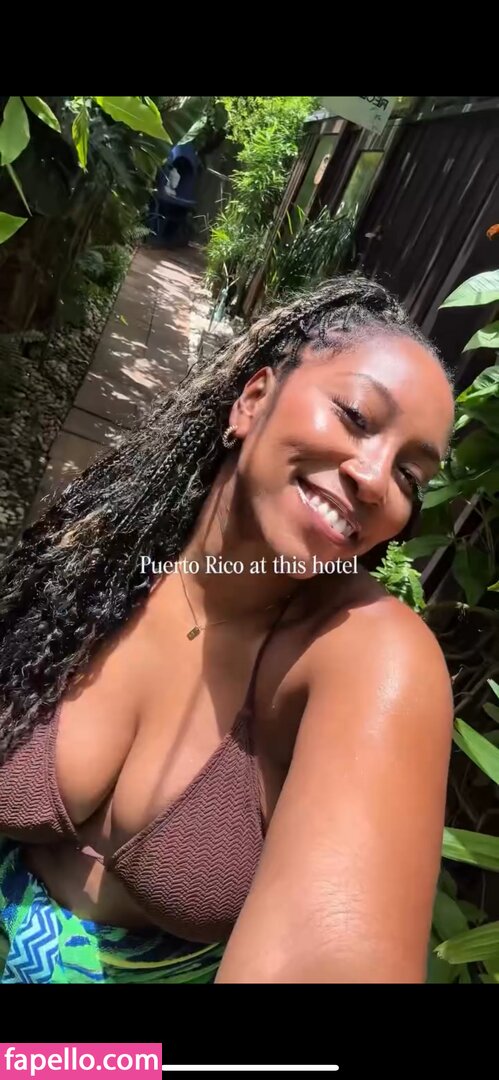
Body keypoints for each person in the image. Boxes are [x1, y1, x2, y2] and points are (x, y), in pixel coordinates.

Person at [0, 276, 455, 984]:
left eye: (409, 476)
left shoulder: (368, 658)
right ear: (253, 399)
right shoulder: (99, 557)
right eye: (357, 417)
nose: (374, 479)